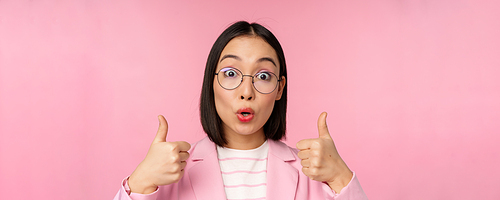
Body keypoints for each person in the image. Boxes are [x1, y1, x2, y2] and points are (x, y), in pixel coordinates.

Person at [114, 21, 368, 200]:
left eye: (264, 75)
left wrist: (342, 177)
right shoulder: (170, 171)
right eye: (231, 73)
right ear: (211, 83)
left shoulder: (312, 173)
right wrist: (139, 181)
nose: (246, 91)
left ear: (279, 89)